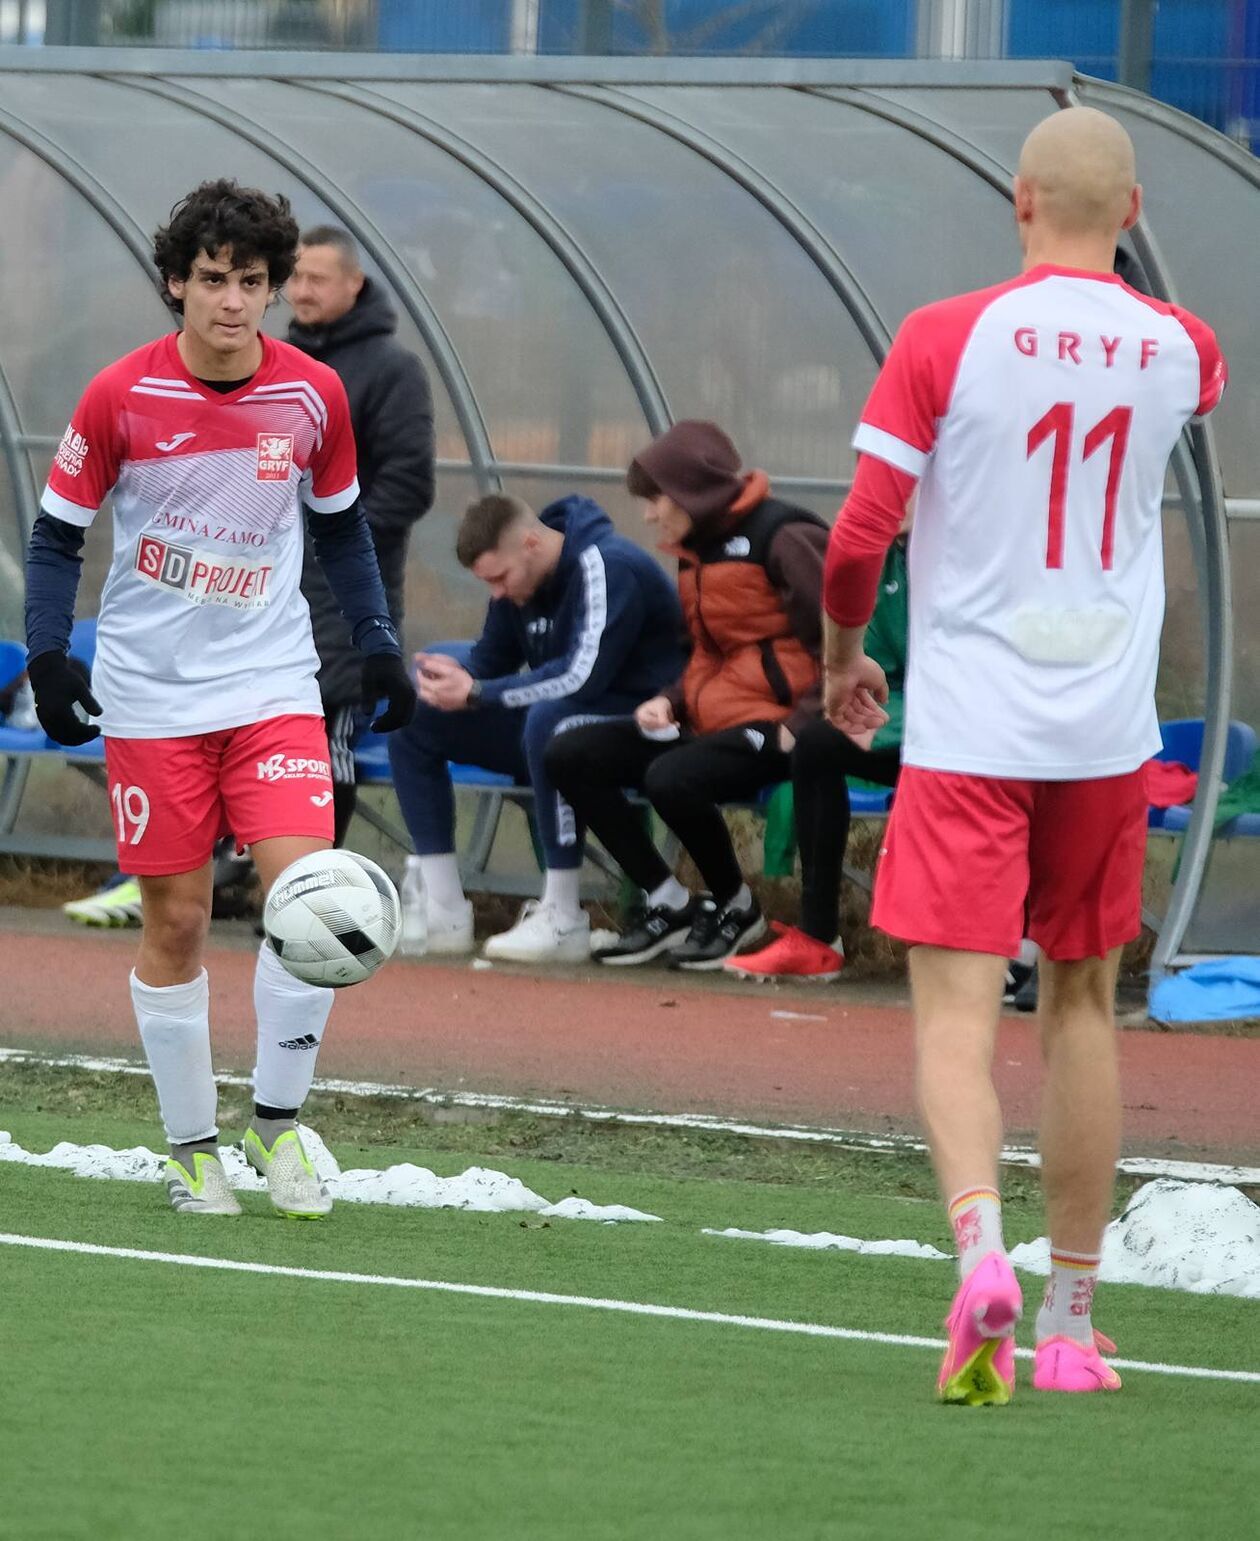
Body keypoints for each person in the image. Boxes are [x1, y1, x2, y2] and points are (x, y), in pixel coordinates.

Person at [822, 108, 1225, 1401]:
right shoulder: (1183, 349)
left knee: (952, 1012)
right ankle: (1068, 1318)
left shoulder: (946, 337)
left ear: (1017, 200)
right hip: (1102, 732)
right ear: (1136, 208)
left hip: (972, 728)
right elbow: (1186, 375)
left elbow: (853, 546)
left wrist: (841, 662)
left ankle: (979, 1255)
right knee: (1084, 1004)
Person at [24, 179, 415, 1218]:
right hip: (151, 697)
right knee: (181, 918)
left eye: (252, 281)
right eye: (212, 279)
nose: (233, 301)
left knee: (309, 898)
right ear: (175, 284)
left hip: (270, 682)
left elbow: (339, 529)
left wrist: (377, 642)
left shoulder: (311, 395)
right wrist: (48, 655)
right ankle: (193, 1146)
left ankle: (277, 1129)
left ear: (275, 289)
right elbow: (58, 534)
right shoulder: (120, 395)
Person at [546, 420, 828, 970]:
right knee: (570, 753)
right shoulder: (695, 549)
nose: (649, 514)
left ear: (691, 492)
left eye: (655, 499)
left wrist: (809, 717)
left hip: (779, 725)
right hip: (708, 719)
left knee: (671, 777)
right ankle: (668, 901)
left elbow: (843, 638)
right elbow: (705, 649)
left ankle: (735, 905)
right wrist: (671, 700)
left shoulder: (785, 535)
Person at [388, 491, 684, 963]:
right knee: (415, 710)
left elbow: (582, 677)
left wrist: (479, 692)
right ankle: (443, 909)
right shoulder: (516, 582)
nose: (498, 593)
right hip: (565, 718)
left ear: (530, 544)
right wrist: (448, 680)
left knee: (550, 720)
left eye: (500, 578)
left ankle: (563, 917)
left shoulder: (607, 565)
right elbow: (491, 660)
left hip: (644, 726)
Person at [288, 225, 435, 845]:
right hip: (271, 584)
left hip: (349, 594)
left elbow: (409, 482)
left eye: (316, 278)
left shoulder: (393, 370)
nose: (300, 291)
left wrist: (337, 538)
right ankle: (257, 875)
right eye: (293, 277)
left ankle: (315, 891)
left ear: (355, 283)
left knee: (330, 743)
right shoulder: (276, 364)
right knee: (271, 741)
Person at [724, 533, 907, 982]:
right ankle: (818, 939)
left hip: (978, 734)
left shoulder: (976, 552)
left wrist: (898, 726)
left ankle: (1014, 950)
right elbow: (880, 668)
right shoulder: (884, 563)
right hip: (913, 727)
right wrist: (873, 720)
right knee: (818, 744)